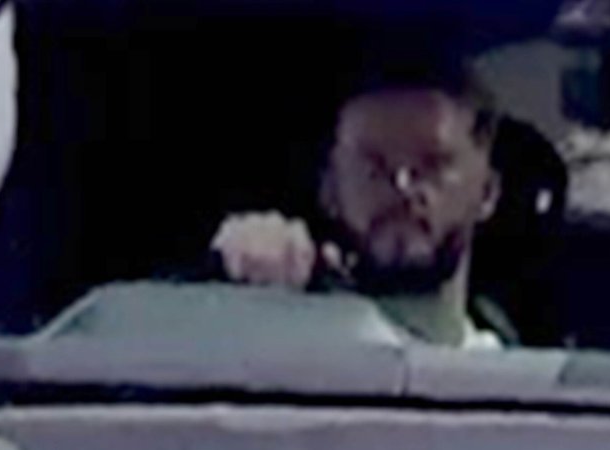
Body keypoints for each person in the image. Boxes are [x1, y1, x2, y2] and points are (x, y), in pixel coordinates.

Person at [208, 63, 535, 350]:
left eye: (432, 164)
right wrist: (239, 279)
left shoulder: (521, 376)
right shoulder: (286, 342)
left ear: (487, 192)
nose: (402, 187)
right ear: (329, 190)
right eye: (373, 167)